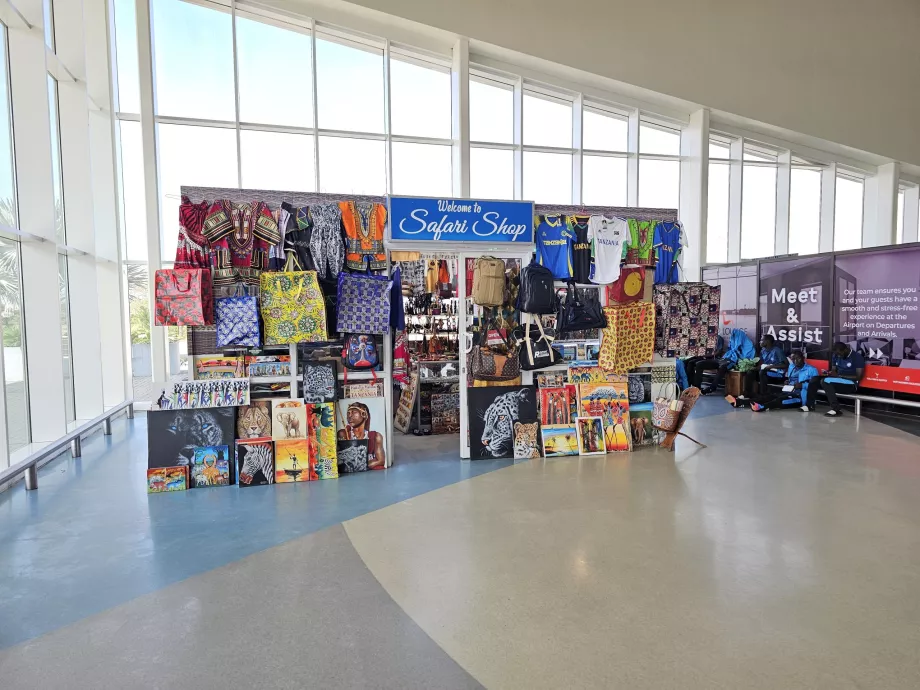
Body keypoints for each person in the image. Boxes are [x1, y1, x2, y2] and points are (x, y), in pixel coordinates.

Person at [726, 351, 818, 411]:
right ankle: (739, 402)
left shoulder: (811, 369)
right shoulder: (791, 367)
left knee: (779, 400)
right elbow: (790, 379)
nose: (795, 361)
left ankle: (762, 407)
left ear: (803, 358)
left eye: (798, 358)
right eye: (793, 359)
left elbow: (815, 386)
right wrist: (787, 382)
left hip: (800, 397)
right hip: (788, 391)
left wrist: (803, 386)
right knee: (768, 397)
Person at [804, 342, 865, 416]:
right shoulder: (835, 355)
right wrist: (829, 373)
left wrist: (839, 375)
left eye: (840, 354)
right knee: (814, 379)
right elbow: (834, 370)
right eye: (837, 354)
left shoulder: (857, 357)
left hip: (851, 384)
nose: (838, 356)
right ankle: (809, 405)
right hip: (837, 380)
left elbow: (859, 376)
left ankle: (836, 409)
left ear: (845, 350)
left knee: (825, 381)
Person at [693, 328, 755, 393]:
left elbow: (746, 358)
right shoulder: (733, 346)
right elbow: (728, 351)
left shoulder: (747, 345)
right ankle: (697, 388)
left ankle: (712, 388)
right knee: (699, 364)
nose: (734, 339)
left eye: (736, 337)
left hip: (732, 362)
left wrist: (738, 355)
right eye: (733, 336)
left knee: (722, 367)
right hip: (723, 359)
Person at [337, 402, 386, 469]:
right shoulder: (344, 434)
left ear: (364, 415)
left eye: (354, 412)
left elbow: (380, 461)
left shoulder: (376, 436)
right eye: (348, 413)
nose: (350, 416)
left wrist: (360, 465)